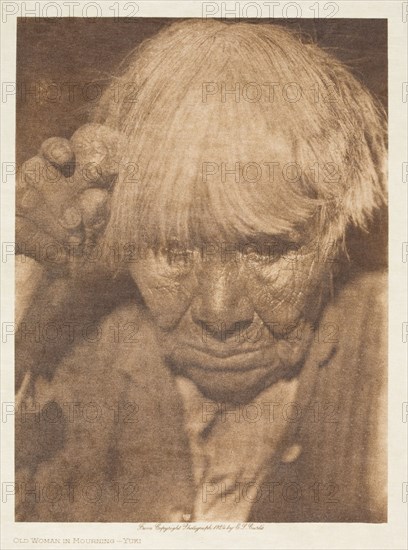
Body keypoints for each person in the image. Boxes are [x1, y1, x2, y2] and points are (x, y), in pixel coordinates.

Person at [15, 19, 387, 522]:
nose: (219, 312)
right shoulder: (75, 350)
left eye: (268, 251)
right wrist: (19, 267)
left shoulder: (388, 348)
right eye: (173, 249)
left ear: (338, 232)